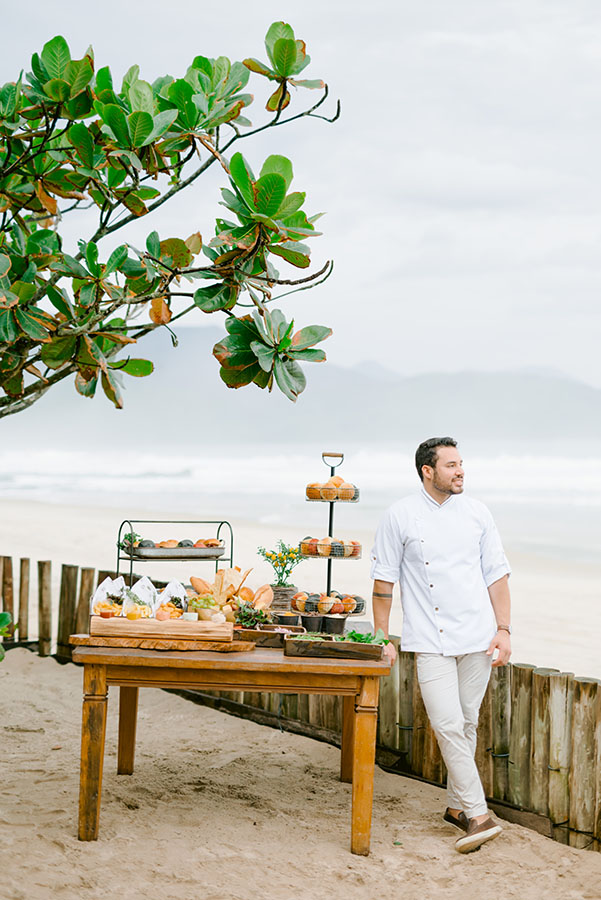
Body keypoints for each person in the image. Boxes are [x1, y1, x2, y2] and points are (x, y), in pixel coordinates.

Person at [370, 437, 511, 854]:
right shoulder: (400, 515)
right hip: (429, 639)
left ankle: (456, 810)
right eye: (451, 465)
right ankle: (479, 814)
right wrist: (381, 635)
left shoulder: (478, 513)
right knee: (447, 725)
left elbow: (497, 576)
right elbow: (383, 583)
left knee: (467, 723)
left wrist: (504, 629)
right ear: (427, 471)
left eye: (461, 463)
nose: (461, 471)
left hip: (478, 636)